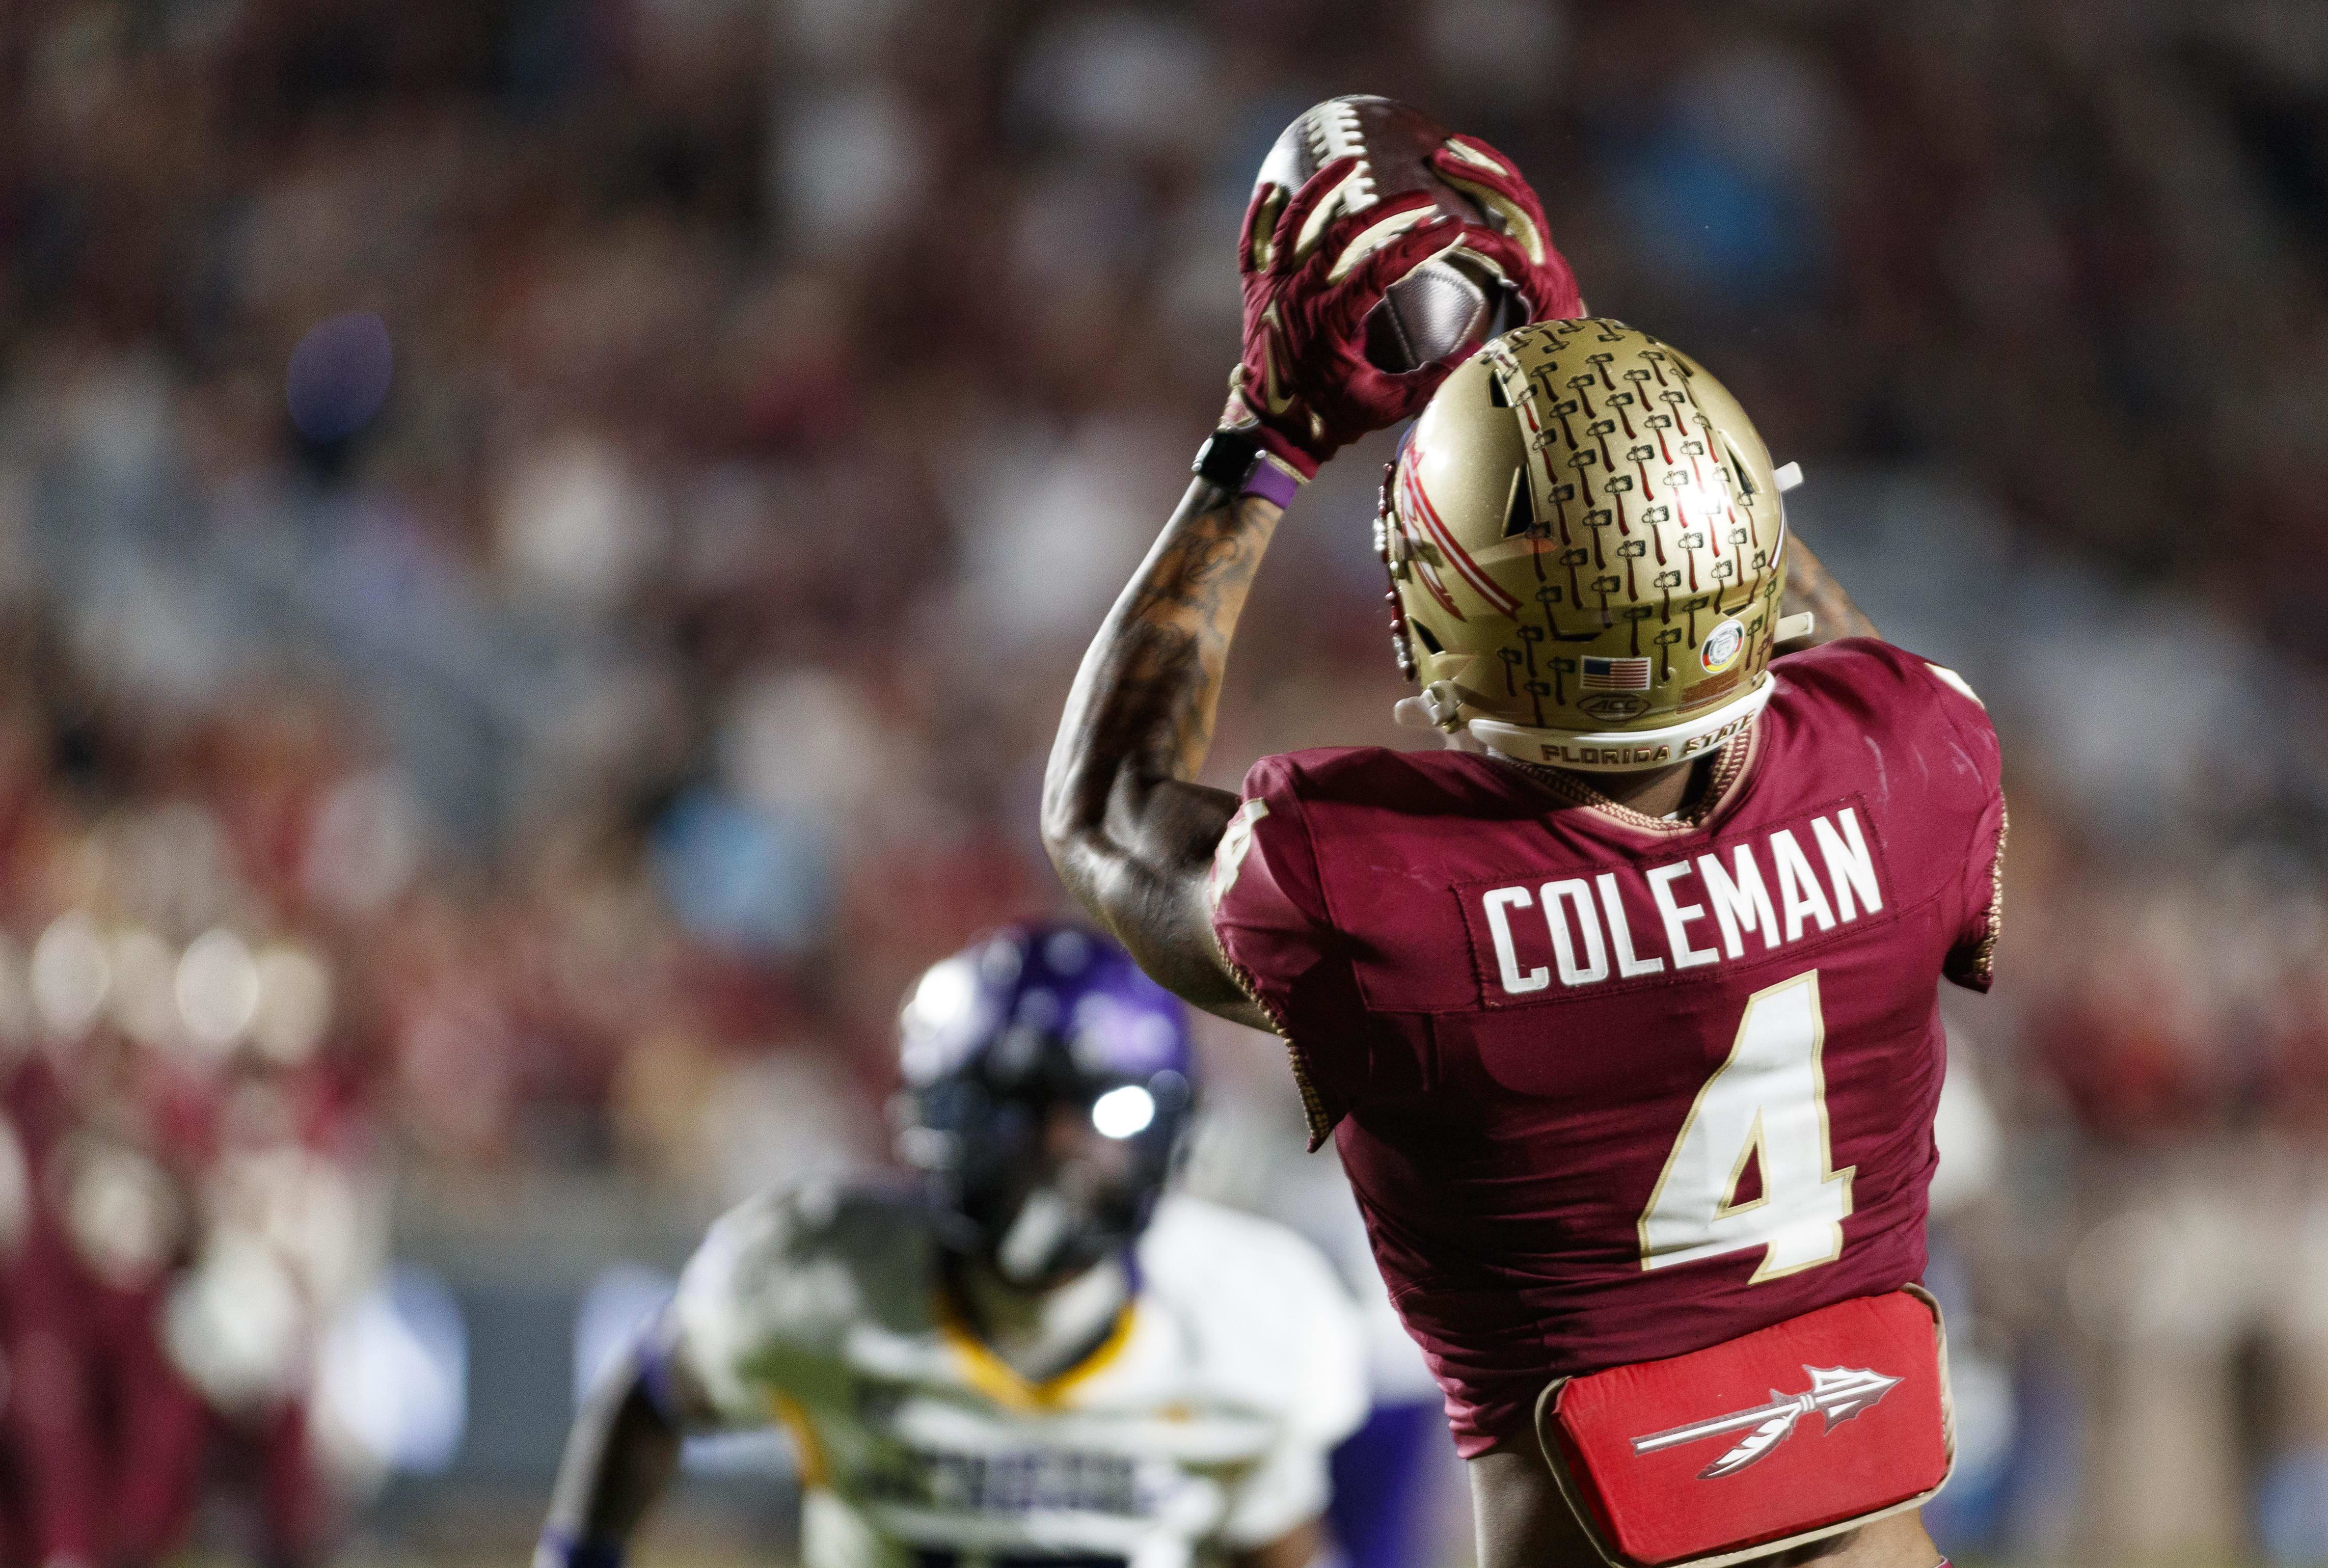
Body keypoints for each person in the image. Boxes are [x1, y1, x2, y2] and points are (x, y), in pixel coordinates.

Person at [1040, 148, 2000, 1568]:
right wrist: (1586, 378)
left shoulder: (1378, 887)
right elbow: (1812, 643)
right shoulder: (1922, 755)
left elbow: (1102, 808)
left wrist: (1266, 438)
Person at [534, 922, 1367, 1568]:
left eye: (1106, 1112)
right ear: (937, 1119)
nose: (1056, 1148)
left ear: (1174, 1132)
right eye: (1009, 1107)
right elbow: (651, 1396)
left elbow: (1275, 1527)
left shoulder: (1246, 1315)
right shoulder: (817, 1276)